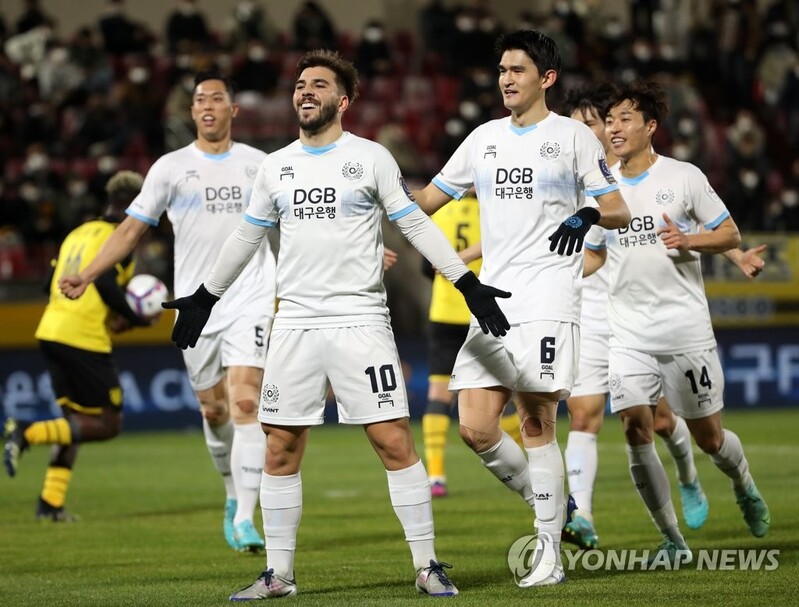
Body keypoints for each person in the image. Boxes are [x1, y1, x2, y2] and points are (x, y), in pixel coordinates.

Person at [163, 49, 511, 599]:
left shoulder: (370, 159)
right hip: (294, 325)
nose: (305, 91)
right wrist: (205, 297)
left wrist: (464, 281)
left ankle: (427, 565)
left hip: (360, 321)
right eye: (300, 84)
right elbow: (246, 238)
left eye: (318, 85)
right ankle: (279, 575)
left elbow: (415, 223)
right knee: (279, 447)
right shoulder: (276, 167)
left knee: (393, 440)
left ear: (342, 101)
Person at [411, 30, 631, 587]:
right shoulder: (483, 139)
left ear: (546, 78)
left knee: (536, 420)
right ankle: (560, 510)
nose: (505, 78)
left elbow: (617, 209)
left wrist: (586, 216)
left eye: (517, 69)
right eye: (502, 69)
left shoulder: (573, 138)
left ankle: (548, 550)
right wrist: (368, 203)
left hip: (549, 296)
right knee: (476, 427)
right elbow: (426, 202)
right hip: (494, 300)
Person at [59, 71, 276, 553]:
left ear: (233, 110)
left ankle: (245, 516)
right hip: (195, 308)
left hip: (251, 297)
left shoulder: (261, 165)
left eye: (217, 98)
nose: (207, 105)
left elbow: (295, 225)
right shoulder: (170, 168)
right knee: (213, 408)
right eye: (199, 99)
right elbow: (130, 231)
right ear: (192, 111)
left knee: (245, 404)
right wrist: (90, 273)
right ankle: (230, 494)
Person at [560, 83, 769, 550]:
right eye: (609, 120)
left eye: (624, 119)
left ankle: (744, 486)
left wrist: (689, 241)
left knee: (711, 439)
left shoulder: (683, 177)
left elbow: (729, 234)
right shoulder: (600, 187)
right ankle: (672, 539)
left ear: (650, 127)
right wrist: (561, 270)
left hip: (684, 331)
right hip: (628, 335)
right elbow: (593, 256)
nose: (613, 128)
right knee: (636, 428)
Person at [3, 170, 150, 521]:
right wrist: (135, 317)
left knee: (75, 422)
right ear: (134, 205)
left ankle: (50, 504)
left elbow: (46, 283)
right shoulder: (120, 237)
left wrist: (109, 314)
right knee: (108, 423)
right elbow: (105, 284)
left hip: (51, 329)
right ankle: (27, 430)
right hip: (82, 337)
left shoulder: (77, 233)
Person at [421, 190, 523, 498]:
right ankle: (511, 446)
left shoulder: (439, 211)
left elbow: (426, 267)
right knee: (515, 390)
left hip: (443, 310)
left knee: (438, 395)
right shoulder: (495, 208)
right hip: (485, 311)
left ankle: (436, 474)